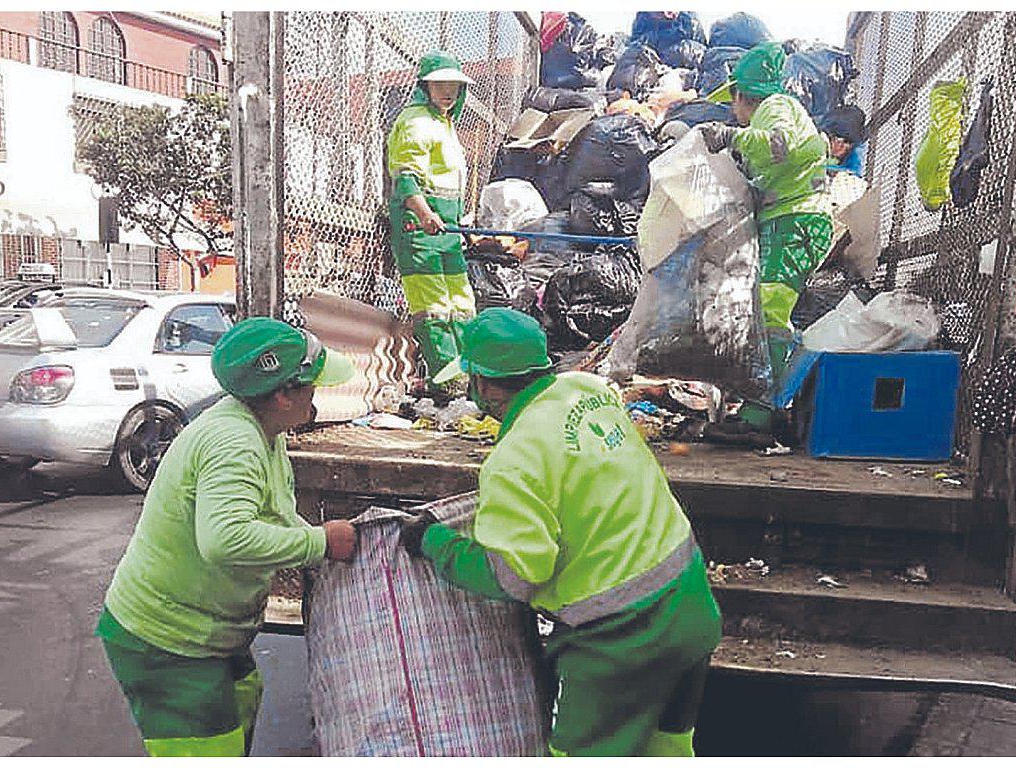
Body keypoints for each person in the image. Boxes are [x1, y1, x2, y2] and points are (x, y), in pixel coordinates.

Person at [400, 308, 722, 757]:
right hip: (690, 605)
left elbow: (514, 576)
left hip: (622, 641)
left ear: (486, 386)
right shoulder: (588, 391)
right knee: (665, 749)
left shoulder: (514, 462)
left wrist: (435, 543)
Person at [97, 317, 359, 756]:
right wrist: (318, 543)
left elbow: (275, 514)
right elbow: (224, 539)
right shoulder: (234, 441)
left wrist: (321, 541)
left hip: (210, 636)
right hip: (169, 642)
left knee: (242, 705)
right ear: (282, 395)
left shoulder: (262, 430)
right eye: (311, 385)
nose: (318, 394)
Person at [698, 41, 833, 390]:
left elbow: (780, 145)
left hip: (798, 222)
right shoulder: (769, 116)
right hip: (790, 221)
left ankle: (762, 412)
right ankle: (760, 401)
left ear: (743, 95)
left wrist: (730, 137)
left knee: (771, 311)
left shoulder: (775, 107)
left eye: (732, 101)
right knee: (764, 310)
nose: (732, 111)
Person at [386, 50, 477, 395]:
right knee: (434, 307)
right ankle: (450, 383)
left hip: (446, 228)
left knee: (461, 302)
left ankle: (470, 376)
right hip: (420, 228)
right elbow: (405, 176)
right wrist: (425, 214)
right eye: (440, 84)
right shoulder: (415, 122)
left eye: (453, 84)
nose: (448, 91)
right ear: (425, 86)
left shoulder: (442, 122)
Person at [818, 104, 867, 176]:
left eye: (848, 142)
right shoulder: (817, 138)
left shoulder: (856, 150)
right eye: (838, 141)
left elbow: (854, 172)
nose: (842, 147)